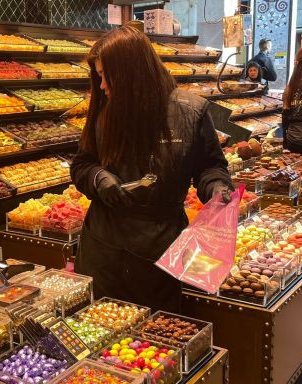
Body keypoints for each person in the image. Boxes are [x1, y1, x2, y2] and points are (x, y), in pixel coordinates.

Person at [70, 26, 232, 313]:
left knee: (155, 341)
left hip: (160, 249)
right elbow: (82, 165)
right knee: (102, 333)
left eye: (106, 75)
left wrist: (217, 188)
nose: (103, 85)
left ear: (132, 74)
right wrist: (99, 178)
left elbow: (209, 167)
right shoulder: (103, 111)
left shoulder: (190, 112)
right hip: (104, 247)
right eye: (99, 76)